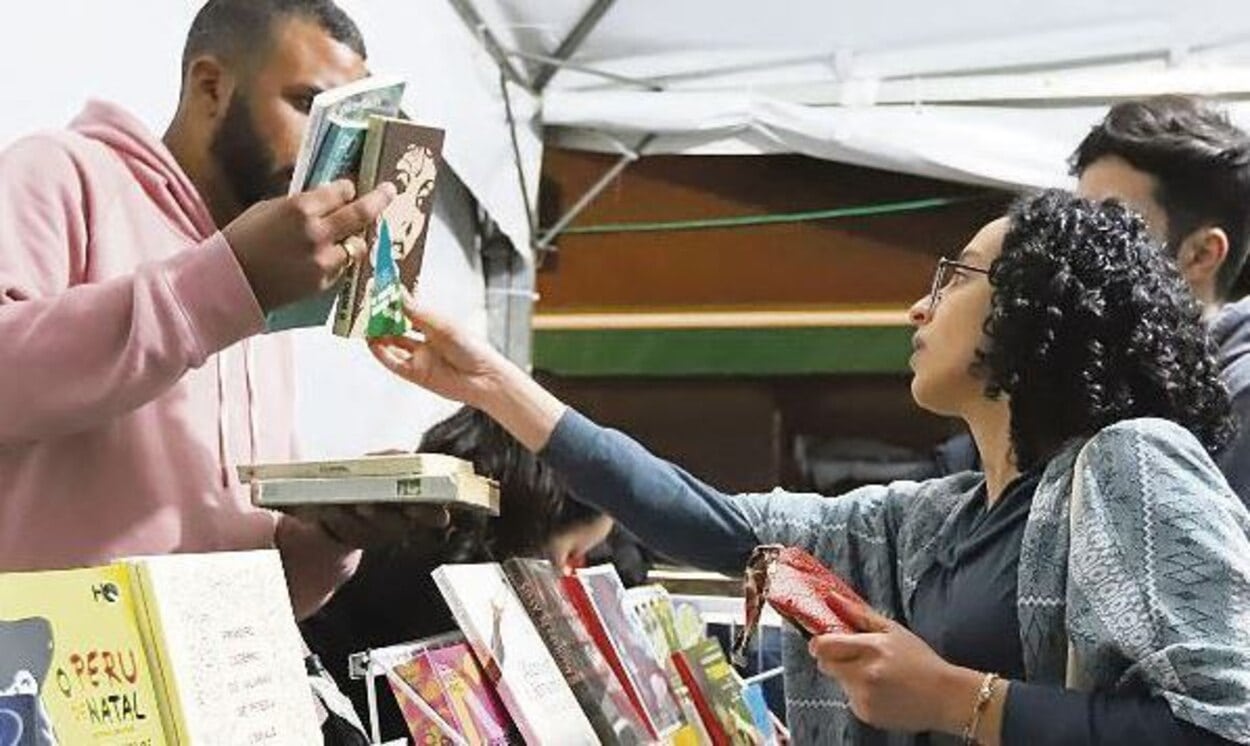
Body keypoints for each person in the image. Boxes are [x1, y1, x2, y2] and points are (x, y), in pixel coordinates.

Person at [370, 191, 1250, 745]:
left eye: (953, 276)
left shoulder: (1130, 463)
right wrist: (491, 382)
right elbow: (709, 522)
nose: (919, 303)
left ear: (1038, 309)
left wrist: (955, 699)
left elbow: (1229, 723)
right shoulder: (933, 519)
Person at [0, 0, 440, 622]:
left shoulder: (264, 276)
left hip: (214, 692)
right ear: (211, 86)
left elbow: (246, 555)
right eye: (308, 107)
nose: (335, 157)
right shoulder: (60, 171)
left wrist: (332, 535)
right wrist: (226, 286)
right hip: (59, 686)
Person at [301, 406, 616, 741]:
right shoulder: (475, 599)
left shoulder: (366, 545)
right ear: (540, 521)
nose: (558, 575)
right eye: (567, 556)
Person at [1072, 95, 1250, 503]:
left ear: (1202, 254)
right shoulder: (1110, 383)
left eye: (1112, 224)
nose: (1077, 245)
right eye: (1076, 218)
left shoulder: (1241, 397)